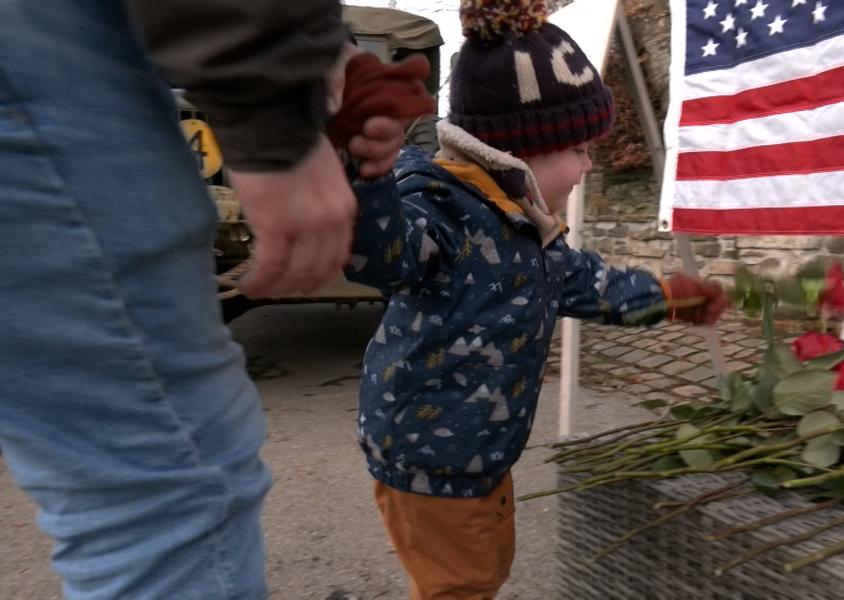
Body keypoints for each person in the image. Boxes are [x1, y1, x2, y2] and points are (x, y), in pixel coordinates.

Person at [0, 2, 409, 598]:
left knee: (114, 471)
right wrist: (276, 104)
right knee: (171, 485)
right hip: (36, 69)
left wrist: (325, 56)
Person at [340, 3, 727, 598]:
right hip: (428, 458)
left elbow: (588, 285)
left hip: (482, 451)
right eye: (577, 150)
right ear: (522, 153)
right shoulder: (439, 210)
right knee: (461, 585)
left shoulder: (528, 228)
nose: (587, 167)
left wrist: (670, 299)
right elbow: (378, 253)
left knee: (488, 567)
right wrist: (367, 174)